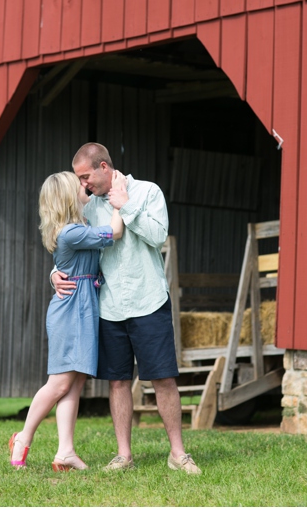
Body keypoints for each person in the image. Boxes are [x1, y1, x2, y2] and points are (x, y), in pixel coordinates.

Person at [51, 143, 201, 475]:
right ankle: (124, 455)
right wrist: (54, 272)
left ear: (104, 167)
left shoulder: (147, 192)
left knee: (163, 379)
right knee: (117, 382)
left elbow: (158, 237)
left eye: (86, 176)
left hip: (149, 301)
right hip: (109, 306)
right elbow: (67, 241)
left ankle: (177, 454)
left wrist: (126, 206)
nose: (83, 184)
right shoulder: (87, 208)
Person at [10, 170, 125, 470]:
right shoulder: (71, 232)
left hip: (84, 305)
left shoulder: (79, 226)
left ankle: (66, 452)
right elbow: (115, 233)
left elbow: (64, 263)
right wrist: (119, 203)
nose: (85, 186)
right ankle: (23, 437)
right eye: (79, 185)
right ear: (67, 197)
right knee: (59, 383)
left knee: (74, 384)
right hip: (71, 309)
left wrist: (53, 274)